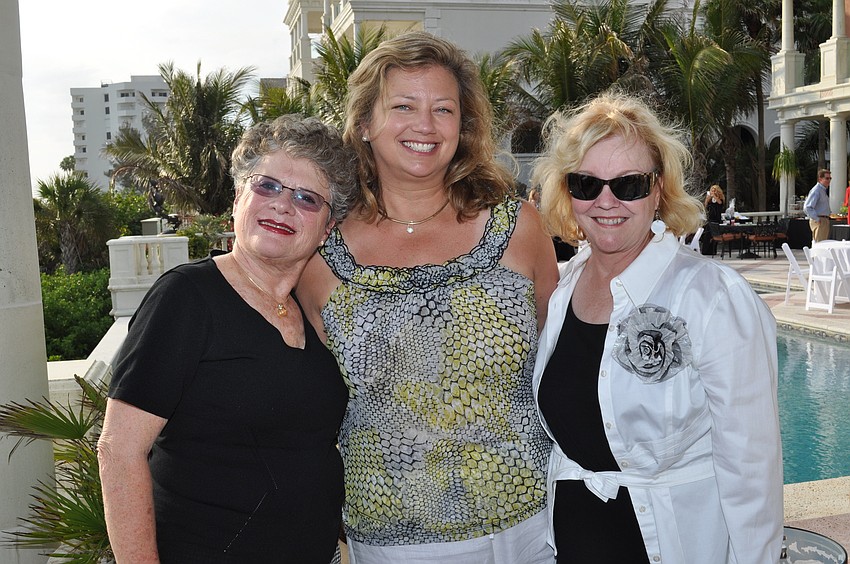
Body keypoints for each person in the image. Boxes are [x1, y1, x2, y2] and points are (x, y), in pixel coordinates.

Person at [297, 31, 559, 563]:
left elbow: (561, 362)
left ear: (463, 128)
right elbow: (311, 398)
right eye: (403, 106)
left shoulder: (518, 227)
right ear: (365, 124)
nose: (425, 124)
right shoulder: (320, 252)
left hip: (532, 527)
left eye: (443, 109)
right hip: (394, 539)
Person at [530, 92, 783, 563]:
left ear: (659, 188)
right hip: (574, 539)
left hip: (670, 544)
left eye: (628, 185)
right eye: (586, 183)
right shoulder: (563, 291)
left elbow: (751, 470)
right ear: (566, 190)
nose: (606, 202)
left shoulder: (712, 298)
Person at [97, 115, 358, 563]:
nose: (282, 206)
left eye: (306, 198)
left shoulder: (313, 310)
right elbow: (119, 450)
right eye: (267, 186)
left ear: (328, 228)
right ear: (239, 197)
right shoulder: (186, 298)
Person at [804, 168, 832, 242]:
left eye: (830, 178)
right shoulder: (817, 190)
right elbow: (808, 207)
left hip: (824, 219)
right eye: (827, 178)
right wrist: (817, 219)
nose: (829, 180)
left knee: (822, 244)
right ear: (820, 179)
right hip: (820, 220)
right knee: (820, 244)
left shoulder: (822, 190)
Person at [699, 184, 725, 254]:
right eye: (712, 190)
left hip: (716, 219)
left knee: (714, 235)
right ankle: (706, 250)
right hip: (710, 218)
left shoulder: (720, 199)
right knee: (707, 234)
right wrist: (707, 199)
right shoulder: (710, 199)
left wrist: (714, 196)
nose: (713, 192)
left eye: (714, 190)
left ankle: (713, 250)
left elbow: (720, 203)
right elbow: (706, 206)